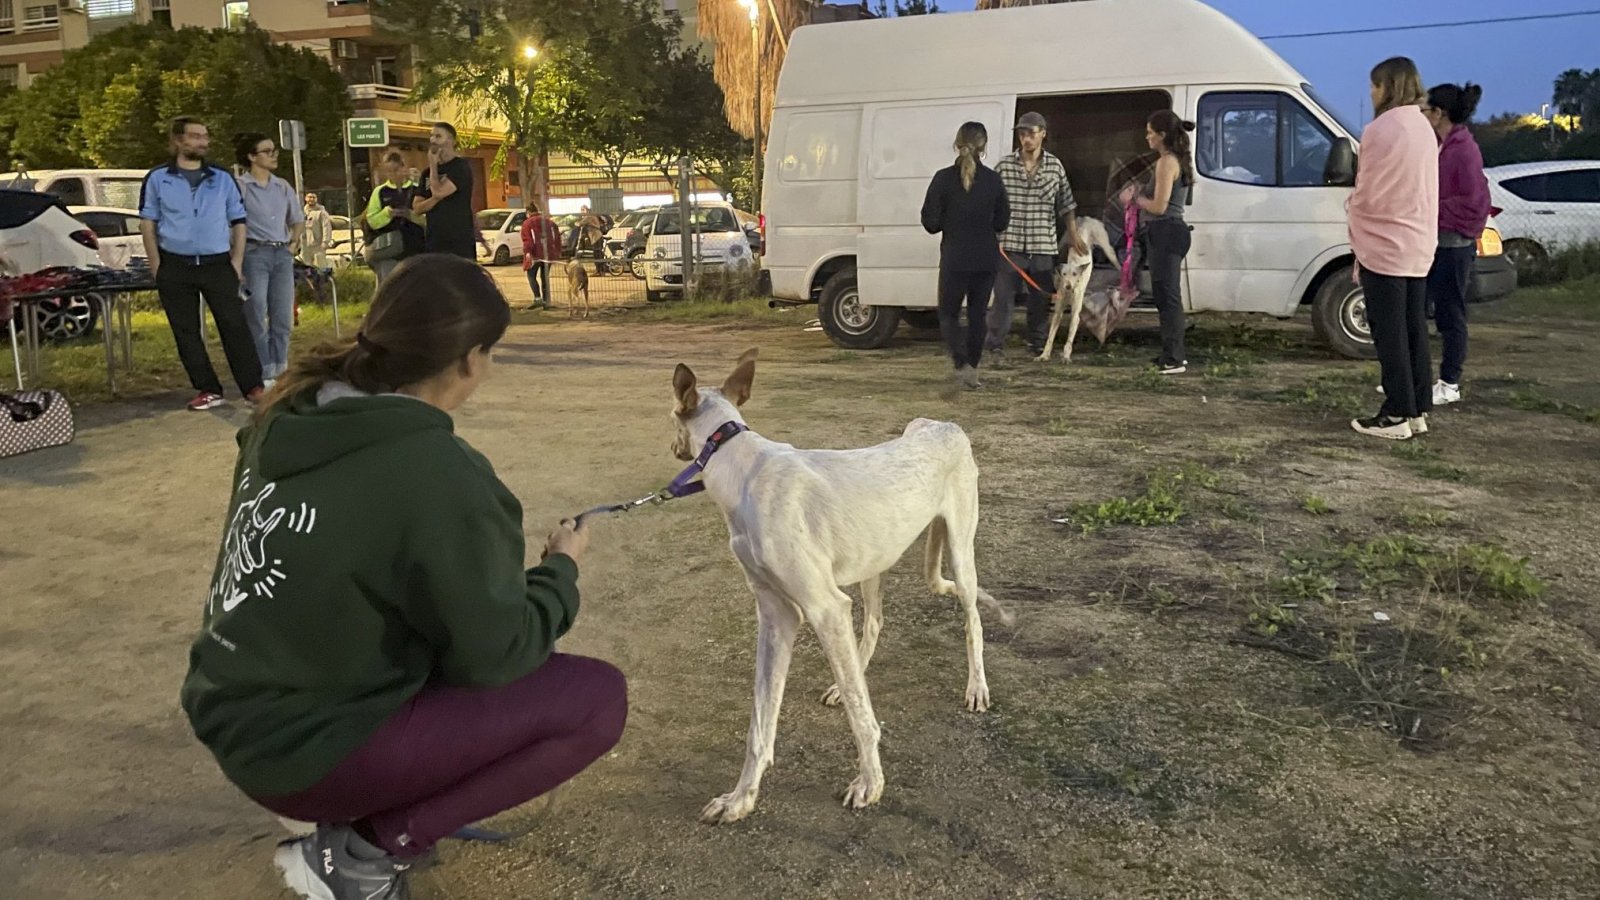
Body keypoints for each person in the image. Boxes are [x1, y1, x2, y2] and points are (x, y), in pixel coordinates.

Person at [179, 254, 627, 900]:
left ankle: (353, 806)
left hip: (233, 712)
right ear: (471, 359)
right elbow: (496, 654)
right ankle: (362, 852)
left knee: (429, 627)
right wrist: (559, 571)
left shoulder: (286, 413)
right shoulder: (440, 474)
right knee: (594, 701)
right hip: (306, 748)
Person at [138, 116, 265, 411]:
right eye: (195, 136)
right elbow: (148, 222)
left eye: (205, 137)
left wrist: (236, 261)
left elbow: (239, 221)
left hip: (218, 264)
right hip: (175, 265)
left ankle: (252, 387)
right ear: (178, 140)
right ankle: (208, 388)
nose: (202, 142)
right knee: (186, 331)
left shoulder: (221, 178)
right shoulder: (157, 178)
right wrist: (156, 264)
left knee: (235, 325)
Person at [1348, 57, 1440, 441]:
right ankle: (1417, 407)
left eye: (1374, 86)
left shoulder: (1380, 129)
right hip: (1418, 241)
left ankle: (1396, 412)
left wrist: (1352, 209)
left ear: (1388, 86)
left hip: (1385, 242)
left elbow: (1370, 189)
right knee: (1413, 328)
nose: (1370, 93)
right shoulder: (1423, 126)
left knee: (1389, 333)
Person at [986, 110, 1085, 362]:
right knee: (1003, 297)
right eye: (1022, 133)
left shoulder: (1054, 166)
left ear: (1043, 134)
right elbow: (989, 203)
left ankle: (1038, 343)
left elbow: (1066, 203)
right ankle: (995, 344)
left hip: (1043, 243)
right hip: (1010, 243)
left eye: (1031, 133)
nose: (1026, 138)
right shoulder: (1004, 166)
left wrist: (1073, 234)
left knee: (1040, 298)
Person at [921, 122, 1011, 390]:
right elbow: (1002, 221)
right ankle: (972, 367)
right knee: (977, 314)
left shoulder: (942, 179)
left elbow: (930, 223)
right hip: (985, 259)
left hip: (955, 258)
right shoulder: (994, 181)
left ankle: (960, 363)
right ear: (984, 147)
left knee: (948, 314)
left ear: (957, 143)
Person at [1423, 82, 1490, 408]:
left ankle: (1450, 382)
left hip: (1454, 242)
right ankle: (1420, 378)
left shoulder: (1463, 150)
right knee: (1422, 308)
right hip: (1436, 239)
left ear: (1440, 113)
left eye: (1426, 109)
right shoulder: (1442, 145)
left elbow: (1475, 201)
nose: (1422, 114)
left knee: (1450, 313)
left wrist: (1433, 207)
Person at [1124, 111, 1196, 375]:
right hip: (1168, 232)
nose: (1147, 137)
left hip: (1166, 231)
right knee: (1165, 296)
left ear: (1162, 135)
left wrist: (1135, 199)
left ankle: (1174, 358)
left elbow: (1159, 206)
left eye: (1150, 132)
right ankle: (1171, 354)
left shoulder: (1166, 162)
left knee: (1168, 297)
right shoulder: (1175, 160)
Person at [235, 133, 305, 385]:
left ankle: (280, 367)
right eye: (267, 151)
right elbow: (232, 224)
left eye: (274, 150)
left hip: (281, 254)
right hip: (255, 253)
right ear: (252, 157)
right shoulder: (240, 187)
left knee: (283, 314)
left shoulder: (283, 186)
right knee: (256, 312)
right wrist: (237, 259)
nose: (274, 155)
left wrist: (293, 244)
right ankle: (264, 371)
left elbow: (297, 219)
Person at [409, 122, 477, 259]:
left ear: (451, 141)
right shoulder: (426, 173)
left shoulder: (461, 167)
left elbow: (438, 191)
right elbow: (417, 208)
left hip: (459, 242)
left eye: (438, 136)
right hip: (434, 242)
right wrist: (435, 199)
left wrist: (433, 165)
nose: (433, 140)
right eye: (431, 136)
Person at [360, 152, 424, 285]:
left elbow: (427, 219)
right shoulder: (380, 192)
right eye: (388, 171)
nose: (392, 175)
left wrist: (410, 215)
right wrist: (387, 214)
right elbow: (372, 221)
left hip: (416, 248)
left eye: (395, 170)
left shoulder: (417, 189)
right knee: (388, 287)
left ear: (404, 168)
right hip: (389, 249)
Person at [520, 200, 562, 309]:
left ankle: (537, 299)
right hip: (548, 254)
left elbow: (527, 240)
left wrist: (528, 253)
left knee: (531, 276)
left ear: (528, 212)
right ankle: (546, 301)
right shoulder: (549, 222)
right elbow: (556, 237)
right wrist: (557, 251)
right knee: (545, 277)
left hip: (535, 255)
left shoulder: (527, 223)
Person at [301, 193, 334, 270]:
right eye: (309, 197)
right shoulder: (302, 212)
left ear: (316, 199)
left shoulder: (321, 212)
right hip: (305, 245)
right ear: (305, 199)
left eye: (313, 197)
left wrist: (325, 242)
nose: (311, 199)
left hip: (318, 245)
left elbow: (326, 227)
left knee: (321, 267)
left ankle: (324, 281)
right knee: (306, 268)